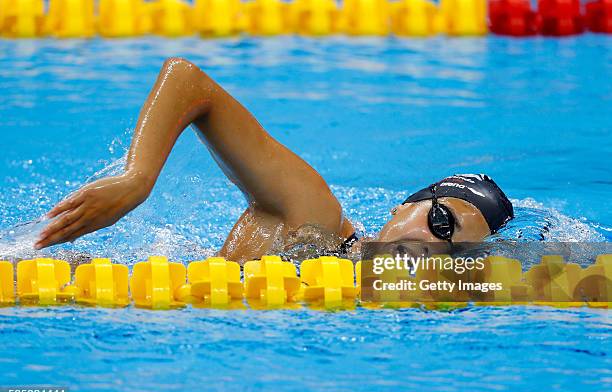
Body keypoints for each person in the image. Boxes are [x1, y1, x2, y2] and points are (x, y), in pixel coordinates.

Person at [35, 58, 514, 263]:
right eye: (439, 220)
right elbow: (187, 82)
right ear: (400, 208)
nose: (432, 245)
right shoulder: (312, 217)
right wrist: (138, 179)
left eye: (455, 250)